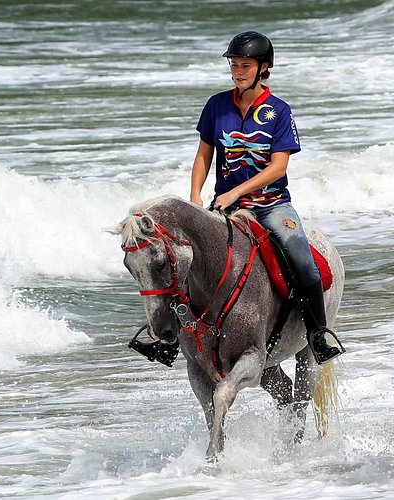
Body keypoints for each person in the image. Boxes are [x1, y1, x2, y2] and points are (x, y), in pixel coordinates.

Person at [134, 31, 344, 365]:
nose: (237, 71)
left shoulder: (279, 111)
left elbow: (278, 168)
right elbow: (204, 156)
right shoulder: (217, 106)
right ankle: (167, 338)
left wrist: (237, 191)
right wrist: (194, 198)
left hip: (272, 205)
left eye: (245, 65)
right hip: (225, 208)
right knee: (183, 262)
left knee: (302, 259)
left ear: (264, 68)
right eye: (234, 64)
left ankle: (318, 334)